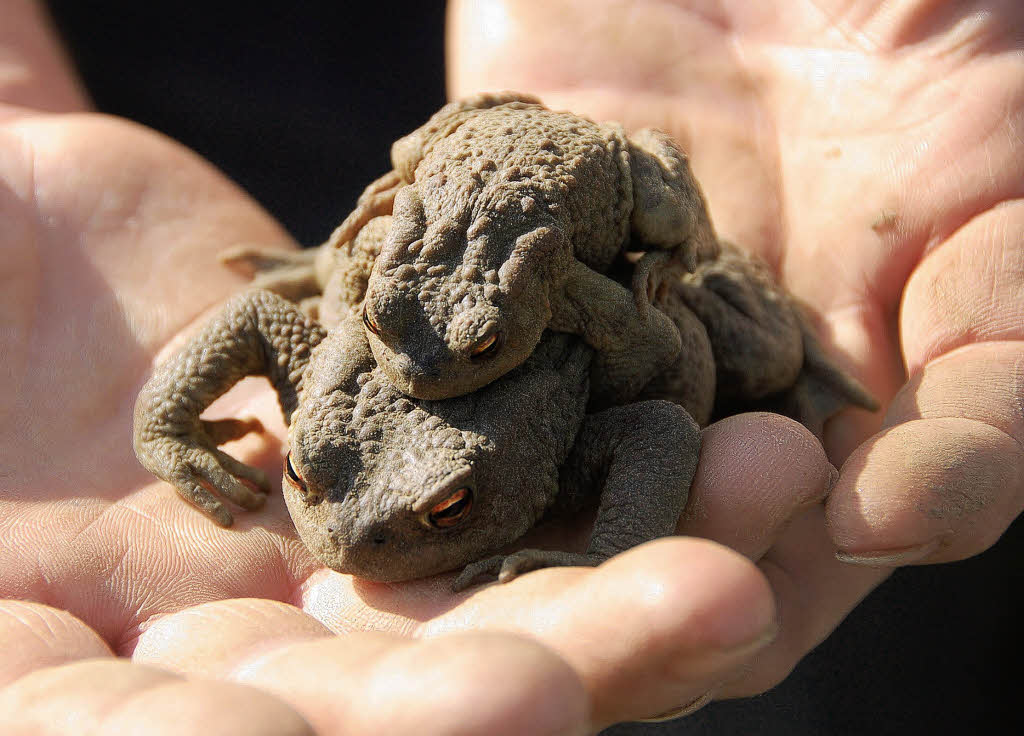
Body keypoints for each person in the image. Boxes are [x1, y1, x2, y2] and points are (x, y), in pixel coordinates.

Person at [1, 0, 1020, 732]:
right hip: (243, 97)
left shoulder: (561, 412)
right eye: (309, 475)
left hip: (573, 261)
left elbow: (658, 416)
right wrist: (162, 418)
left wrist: (602, 547)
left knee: (781, 484)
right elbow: (272, 313)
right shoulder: (363, 337)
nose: (347, 540)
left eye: (443, 511)